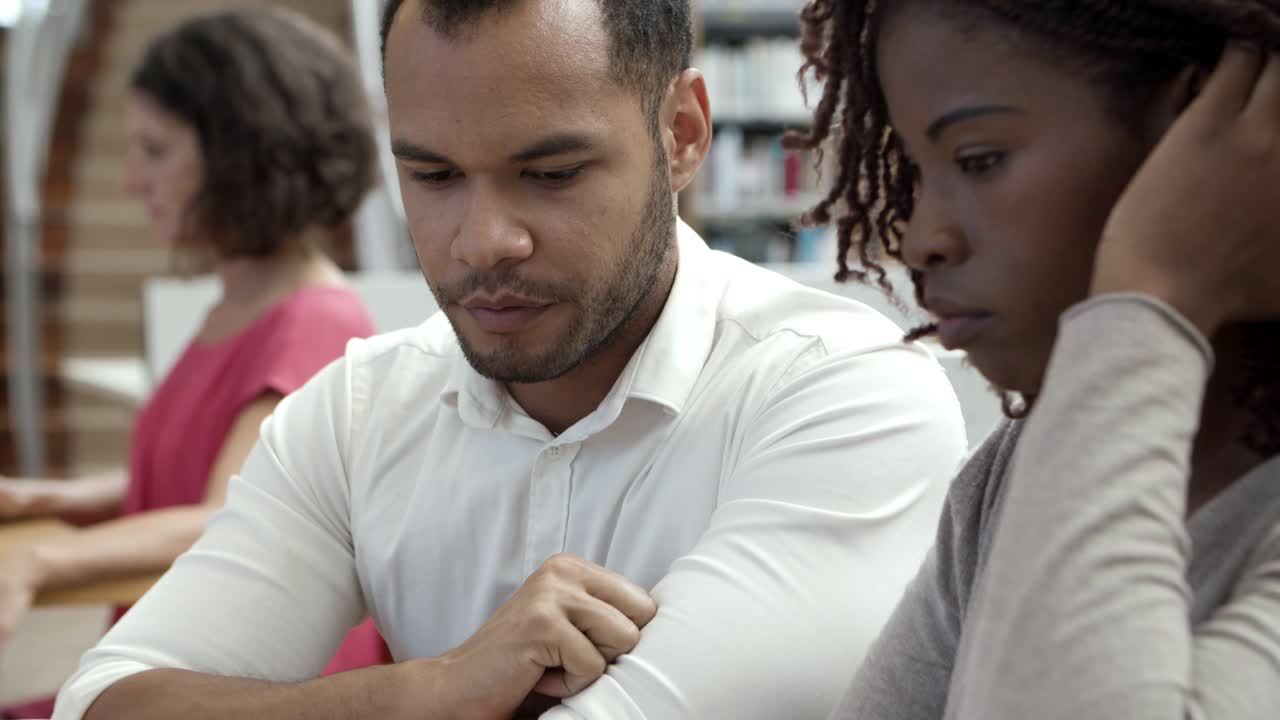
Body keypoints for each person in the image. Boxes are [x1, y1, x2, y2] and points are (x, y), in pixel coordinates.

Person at [50, 1, 969, 718]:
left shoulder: (845, 391)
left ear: (683, 134)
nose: (483, 241)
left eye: (552, 172)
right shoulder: (356, 413)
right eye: (434, 176)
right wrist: (424, 695)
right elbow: (104, 700)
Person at [781, 1, 1280, 718]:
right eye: (915, 173)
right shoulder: (1013, 469)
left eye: (980, 161)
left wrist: (1148, 294)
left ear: (1203, 134)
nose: (921, 238)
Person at [0, 7, 390, 718]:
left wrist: (40, 558)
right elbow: (207, 470)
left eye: (153, 151)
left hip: (234, 685)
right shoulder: (232, 307)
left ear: (239, 153)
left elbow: (226, 515)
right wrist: (51, 501)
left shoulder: (314, 321)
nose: (131, 180)